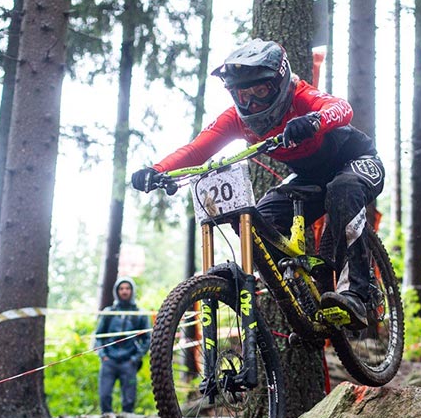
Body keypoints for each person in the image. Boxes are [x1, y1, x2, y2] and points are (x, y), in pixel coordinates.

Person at [130, 39, 385, 330]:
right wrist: (158, 170)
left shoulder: (299, 96)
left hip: (357, 161)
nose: (251, 103)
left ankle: (358, 294)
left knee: (344, 190)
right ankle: (303, 295)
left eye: (260, 92)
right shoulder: (237, 120)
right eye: (243, 94)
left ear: (279, 84)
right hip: (309, 179)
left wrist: (314, 120)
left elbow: (342, 108)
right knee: (253, 221)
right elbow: (197, 150)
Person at [95, 277, 151, 413]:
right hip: (109, 361)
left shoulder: (140, 314)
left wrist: (135, 358)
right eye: (121, 288)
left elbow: (148, 338)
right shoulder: (109, 312)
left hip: (129, 362)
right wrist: (103, 356)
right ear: (117, 291)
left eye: (127, 288)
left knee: (129, 400)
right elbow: (98, 336)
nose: (124, 291)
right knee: (104, 395)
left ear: (132, 291)